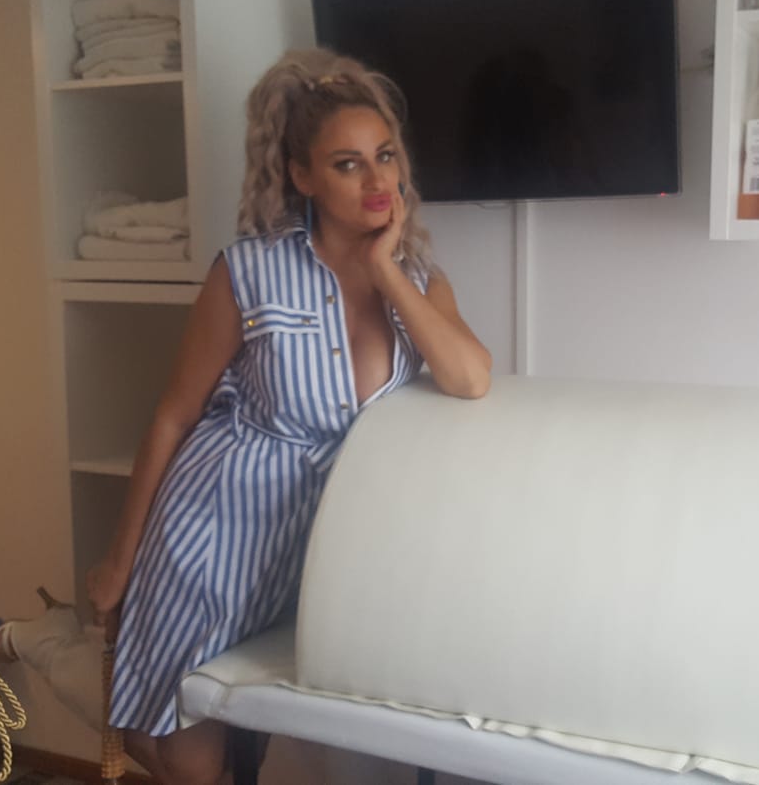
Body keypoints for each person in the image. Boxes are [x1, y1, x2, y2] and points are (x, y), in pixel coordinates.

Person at [85, 48, 492, 784]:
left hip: (315, 552)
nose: (378, 181)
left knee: (258, 748)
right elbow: (175, 415)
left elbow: (470, 378)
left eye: (386, 157)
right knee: (192, 765)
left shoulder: (421, 282)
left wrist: (386, 269)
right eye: (347, 164)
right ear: (302, 177)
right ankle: (66, 653)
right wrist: (119, 561)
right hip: (211, 536)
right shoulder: (247, 272)